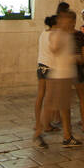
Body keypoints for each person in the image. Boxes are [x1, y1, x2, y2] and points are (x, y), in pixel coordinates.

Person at [46, 8, 82, 146]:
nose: (72, 24)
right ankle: (41, 131)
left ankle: (67, 134)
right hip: (61, 75)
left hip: (65, 75)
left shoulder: (64, 34)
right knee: (58, 107)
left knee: (64, 107)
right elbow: (54, 49)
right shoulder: (59, 34)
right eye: (70, 20)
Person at [33, 14, 55, 148]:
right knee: (49, 98)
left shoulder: (43, 33)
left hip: (41, 66)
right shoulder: (53, 35)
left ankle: (37, 123)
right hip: (50, 67)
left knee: (40, 95)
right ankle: (44, 125)